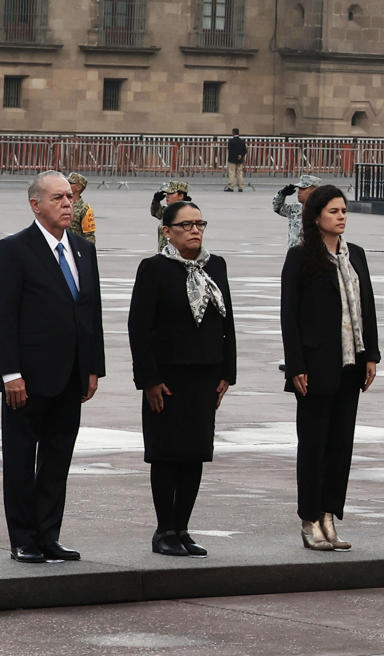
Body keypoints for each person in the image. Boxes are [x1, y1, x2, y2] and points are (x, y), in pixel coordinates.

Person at [0, 171, 104, 563]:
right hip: (27, 378)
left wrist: (92, 367)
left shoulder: (83, 249)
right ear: (35, 205)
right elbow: (2, 317)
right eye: (57, 198)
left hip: (71, 376)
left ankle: (48, 535)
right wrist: (9, 374)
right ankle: (22, 537)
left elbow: (91, 312)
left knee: (57, 461)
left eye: (69, 197)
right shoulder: (14, 249)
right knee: (20, 460)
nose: (68, 204)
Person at [128, 199, 237, 557]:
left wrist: (227, 373)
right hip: (168, 378)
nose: (195, 230)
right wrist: (149, 379)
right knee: (166, 454)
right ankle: (164, 530)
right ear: (167, 231)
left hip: (205, 377)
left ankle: (183, 527)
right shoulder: (154, 269)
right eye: (186, 225)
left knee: (195, 454)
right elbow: (139, 328)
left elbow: (227, 323)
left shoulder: (215, 266)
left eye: (200, 224)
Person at [281, 184, 379, 551]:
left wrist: (371, 354)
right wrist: (295, 365)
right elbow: (288, 315)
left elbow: (367, 306)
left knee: (341, 445)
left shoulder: (357, 255)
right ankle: (309, 519)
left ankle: (329, 516)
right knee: (314, 445)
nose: (341, 217)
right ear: (316, 217)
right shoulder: (301, 256)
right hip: (315, 364)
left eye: (344, 211)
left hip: (351, 364)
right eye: (334, 211)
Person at [273, 175, 322, 252]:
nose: (299, 192)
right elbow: (277, 207)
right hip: (294, 256)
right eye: (299, 188)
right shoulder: (295, 209)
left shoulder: (323, 212)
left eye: (303, 188)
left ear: (314, 191)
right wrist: (282, 194)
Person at [151, 180, 191, 253]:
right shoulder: (168, 210)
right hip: (164, 256)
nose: (167, 196)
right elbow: (156, 213)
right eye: (167, 193)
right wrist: (156, 201)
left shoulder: (188, 213)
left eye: (171, 193)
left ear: (181, 196)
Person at [68, 172, 97, 246]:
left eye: (70, 183)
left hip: (75, 247)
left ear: (78, 187)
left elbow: (89, 236)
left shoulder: (84, 208)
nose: (67, 184)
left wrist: (87, 253)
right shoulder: (61, 203)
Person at [224, 129, 248, 193]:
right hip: (239, 160)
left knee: (232, 173)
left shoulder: (231, 141)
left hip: (232, 159)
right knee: (239, 173)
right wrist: (240, 155)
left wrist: (236, 155)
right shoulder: (242, 141)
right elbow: (245, 150)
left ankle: (231, 187)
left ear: (233, 133)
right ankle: (240, 187)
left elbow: (230, 150)